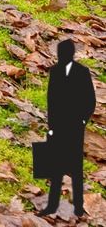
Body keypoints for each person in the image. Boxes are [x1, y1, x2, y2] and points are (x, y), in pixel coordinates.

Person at [47, 39, 96, 219]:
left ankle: (78, 206)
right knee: (56, 165)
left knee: (75, 166)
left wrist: (83, 119)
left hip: (75, 124)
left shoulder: (82, 72)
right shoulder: (55, 71)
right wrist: (51, 126)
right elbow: (51, 102)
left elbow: (90, 100)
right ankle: (52, 204)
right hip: (58, 124)